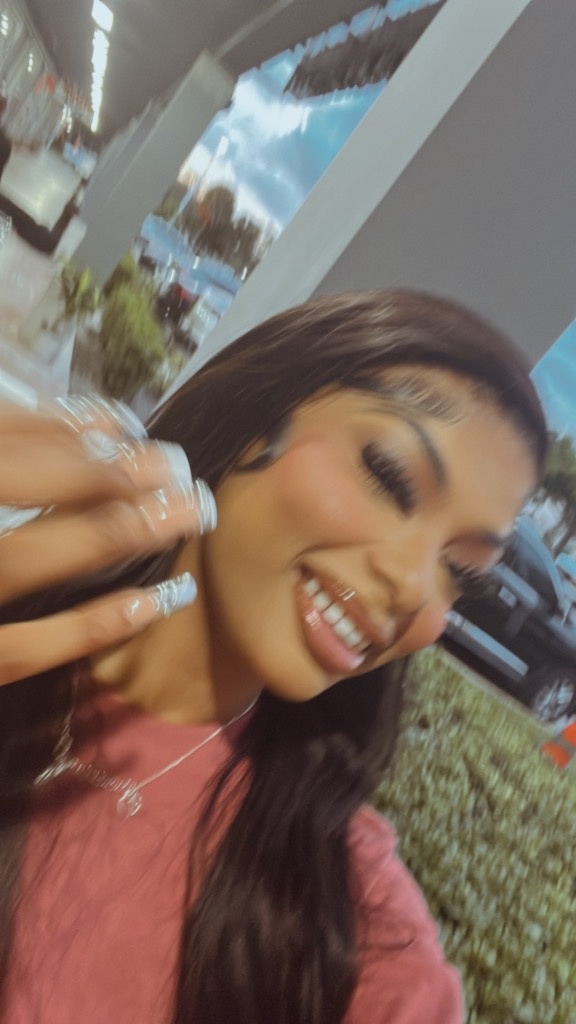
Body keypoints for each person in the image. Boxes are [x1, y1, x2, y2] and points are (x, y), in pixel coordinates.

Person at [0, 289, 547, 1023]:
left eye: (460, 571)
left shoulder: (352, 936)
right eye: (389, 476)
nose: (414, 586)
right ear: (254, 416)